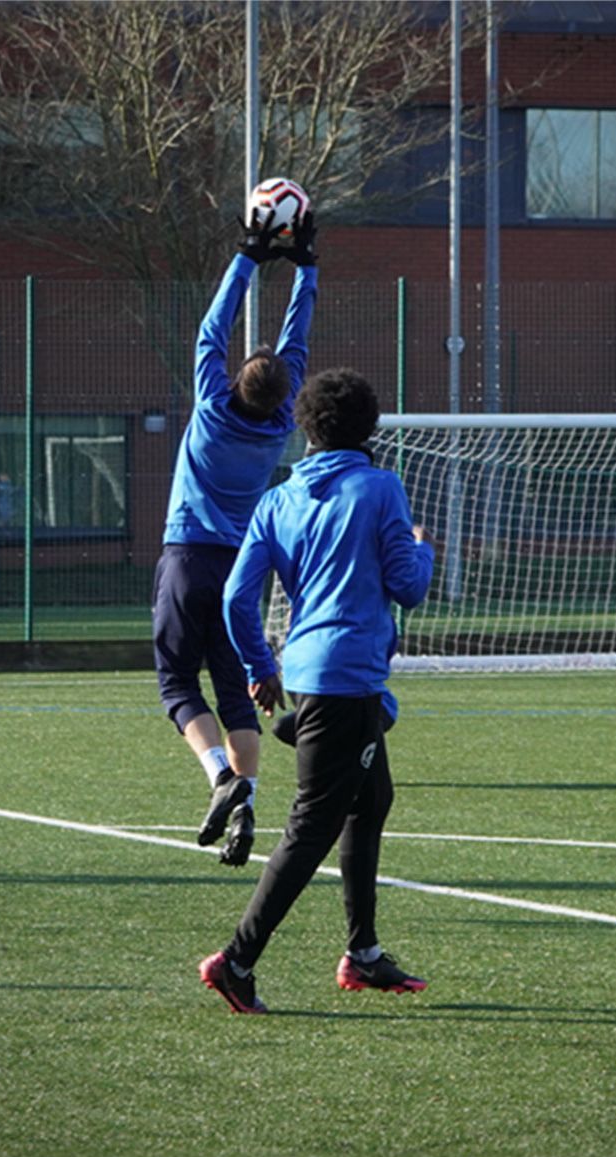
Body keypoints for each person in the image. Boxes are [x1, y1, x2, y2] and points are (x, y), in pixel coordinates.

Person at [199, 367, 436, 1014]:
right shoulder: (380, 488)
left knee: (371, 798)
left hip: (306, 671)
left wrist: (259, 664)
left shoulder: (280, 498)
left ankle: (362, 955)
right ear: (369, 426)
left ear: (306, 427)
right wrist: (425, 551)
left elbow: (236, 598)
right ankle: (237, 961)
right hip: (348, 676)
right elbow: (408, 586)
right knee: (312, 825)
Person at [152, 209, 318, 868]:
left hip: (187, 556)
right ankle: (246, 800)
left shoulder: (213, 409)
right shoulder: (280, 423)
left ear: (233, 382)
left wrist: (249, 255)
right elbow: (296, 337)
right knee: (235, 689)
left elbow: (210, 329)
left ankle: (222, 777)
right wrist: (306, 264)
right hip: (241, 569)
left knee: (174, 684)